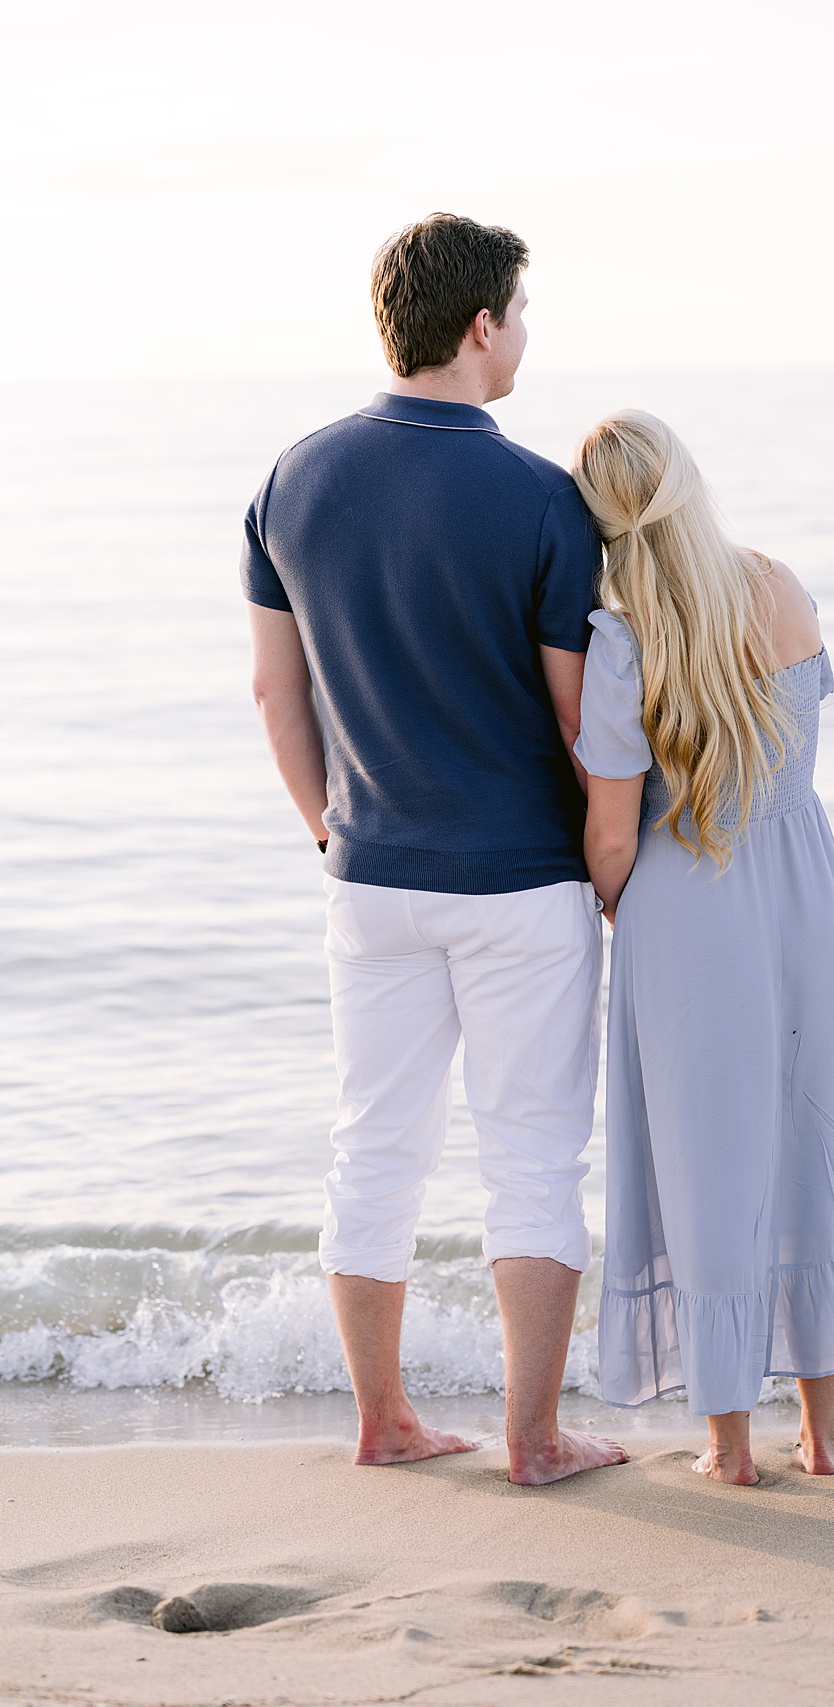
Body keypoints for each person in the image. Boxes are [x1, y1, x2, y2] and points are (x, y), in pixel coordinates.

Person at [240, 214, 626, 1486]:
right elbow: (579, 722)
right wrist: (616, 867)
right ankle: (533, 1440)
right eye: (519, 311)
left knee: (374, 1145)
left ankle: (384, 1421)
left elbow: (274, 694)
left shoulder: (292, 478)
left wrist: (325, 828)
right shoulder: (541, 499)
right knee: (530, 1154)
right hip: (520, 883)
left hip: (368, 877)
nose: (523, 334)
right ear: (478, 325)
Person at [570, 411, 834, 1486]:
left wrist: (617, 907)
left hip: (683, 900)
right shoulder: (780, 587)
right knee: (811, 1135)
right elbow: (794, 742)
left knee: (704, 1158)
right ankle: (825, 1437)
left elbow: (612, 832)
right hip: (803, 887)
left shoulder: (619, 643)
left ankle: (726, 1449)